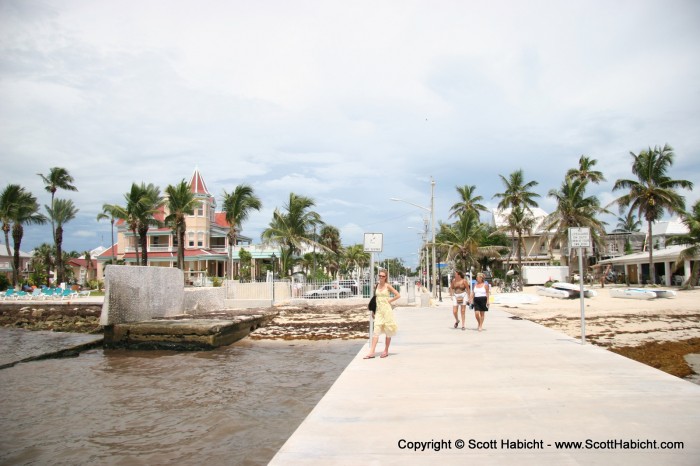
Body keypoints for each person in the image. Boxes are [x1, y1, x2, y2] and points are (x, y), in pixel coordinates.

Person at [364, 270, 401, 359]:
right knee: (376, 331)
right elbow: (375, 299)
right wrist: (373, 311)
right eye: (380, 275)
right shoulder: (376, 286)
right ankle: (372, 352)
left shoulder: (388, 286)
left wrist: (389, 301)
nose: (381, 277)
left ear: (386, 277)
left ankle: (386, 350)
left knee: (388, 331)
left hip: (387, 311)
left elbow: (398, 295)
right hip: (379, 311)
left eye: (383, 276)